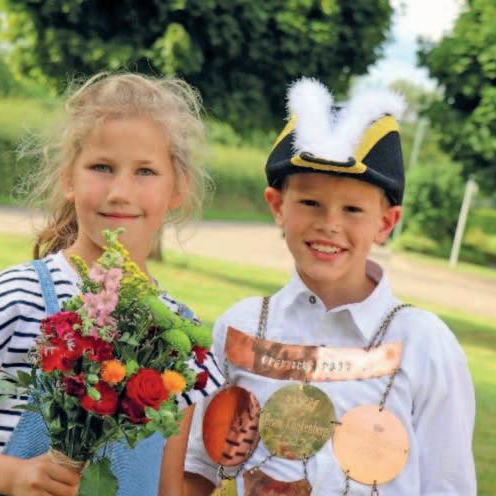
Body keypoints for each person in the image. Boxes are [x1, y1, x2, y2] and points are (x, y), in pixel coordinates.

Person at [0, 72, 224, 496]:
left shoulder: (181, 339)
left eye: (145, 171)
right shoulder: (18, 297)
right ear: (68, 177)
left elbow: (166, 487)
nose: (120, 192)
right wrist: (14, 477)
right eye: (102, 167)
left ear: (178, 188)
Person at [184, 78, 476, 495]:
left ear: (386, 224)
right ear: (277, 206)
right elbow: (199, 465)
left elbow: (448, 485)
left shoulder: (424, 343)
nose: (330, 224)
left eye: (353, 209)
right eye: (310, 203)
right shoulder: (240, 326)